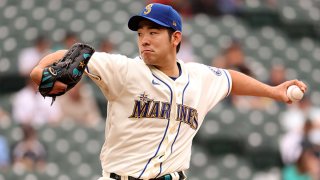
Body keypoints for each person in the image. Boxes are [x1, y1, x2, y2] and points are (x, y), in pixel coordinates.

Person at [30, 3, 307, 180]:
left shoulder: (199, 77)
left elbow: (231, 79)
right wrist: (38, 71)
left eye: (153, 32)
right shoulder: (124, 70)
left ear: (176, 38)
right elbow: (64, 55)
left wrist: (273, 91)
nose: (144, 40)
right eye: (140, 34)